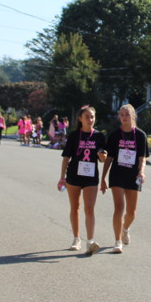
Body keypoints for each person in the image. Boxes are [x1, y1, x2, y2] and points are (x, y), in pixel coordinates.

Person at [100, 104, 149, 253]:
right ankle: (117, 241)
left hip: (133, 175)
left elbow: (142, 157)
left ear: (133, 116)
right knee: (119, 207)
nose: (124, 117)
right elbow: (109, 159)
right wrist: (103, 178)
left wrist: (141, 172)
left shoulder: (140, 135)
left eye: (127, 114)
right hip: (117, 174)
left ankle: (125, 229)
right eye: (121, 115)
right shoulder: (115, 136)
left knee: (131, 212)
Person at [58, 105, 108, 255]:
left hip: (91, 177)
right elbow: (66, 158)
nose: (90, 120)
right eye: (87, 117)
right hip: (74, 176)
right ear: (80, 119)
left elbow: (103, 158)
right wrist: (62, 178)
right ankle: (76, 239)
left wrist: (102, 156)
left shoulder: (99, 136)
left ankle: (90, 241)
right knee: (75, 207)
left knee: (89, 208)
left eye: (92, 117)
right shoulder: (74, 135)